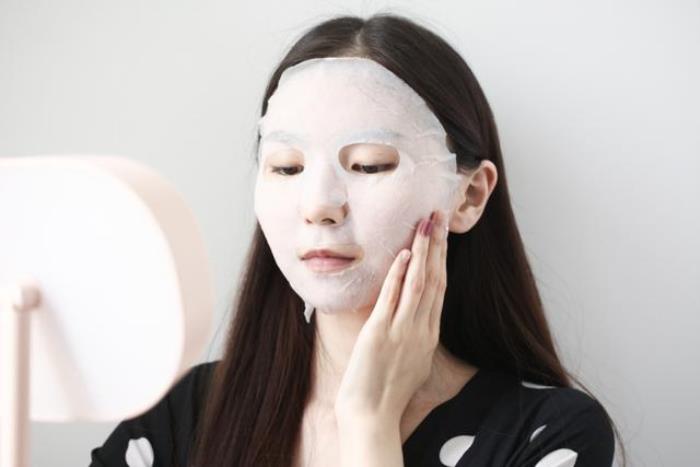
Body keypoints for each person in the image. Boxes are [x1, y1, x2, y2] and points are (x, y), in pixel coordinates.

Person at [90, 12, 625, 467]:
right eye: (287, 166)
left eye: (370, 164)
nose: (319, 204)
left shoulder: (547, 436)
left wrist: (369, 423)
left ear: (468, 196)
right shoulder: (177, 422)